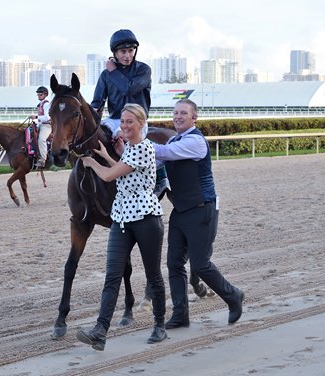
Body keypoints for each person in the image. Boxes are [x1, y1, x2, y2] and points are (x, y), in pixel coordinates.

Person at [76, 103, 167, 351]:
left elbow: (108, 175)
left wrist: (92, 162)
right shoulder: (129, 149)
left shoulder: (144, 148)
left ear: (141, 124)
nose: (124, 126)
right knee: (112, 276)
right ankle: (100, 331)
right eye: (123, 122)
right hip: (122, 219)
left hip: (146, 218)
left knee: (153, 275)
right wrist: (108, 154)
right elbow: (121, 165)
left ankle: (160, 325)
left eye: (129, 122)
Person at [154, 98, 245, 329]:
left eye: (183, 113)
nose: (178, 116)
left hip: (202, 209)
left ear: (194, 117)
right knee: (174, 264)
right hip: (181, 210)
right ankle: (180, 315)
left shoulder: (195, 142)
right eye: (175, 113)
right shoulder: (176, 139)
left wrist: (135, 140)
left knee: (201, 265)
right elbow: (155, 159)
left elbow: (162, 151)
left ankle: (233, 296)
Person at [90, 28, 170, 198]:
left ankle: (159, 177)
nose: (127, 55)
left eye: (130, 50)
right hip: (113, 120)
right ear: (115, 53)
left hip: (137, 120)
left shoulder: (143, 70)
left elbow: (128, 88)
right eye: (123, 51)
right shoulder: (105, 75)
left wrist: (113, 71)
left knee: (129, 142)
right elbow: (97, 102)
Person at [30, 86, 51, 168]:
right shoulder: (41, 104)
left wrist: (36, 117)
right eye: (38, 94)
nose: (38, 95)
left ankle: (43, 160)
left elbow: (47, 117)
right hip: (41, 124)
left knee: (41, 139)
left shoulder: (46, 104)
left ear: (45, 94)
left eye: (40, 94)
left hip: (47, 126)